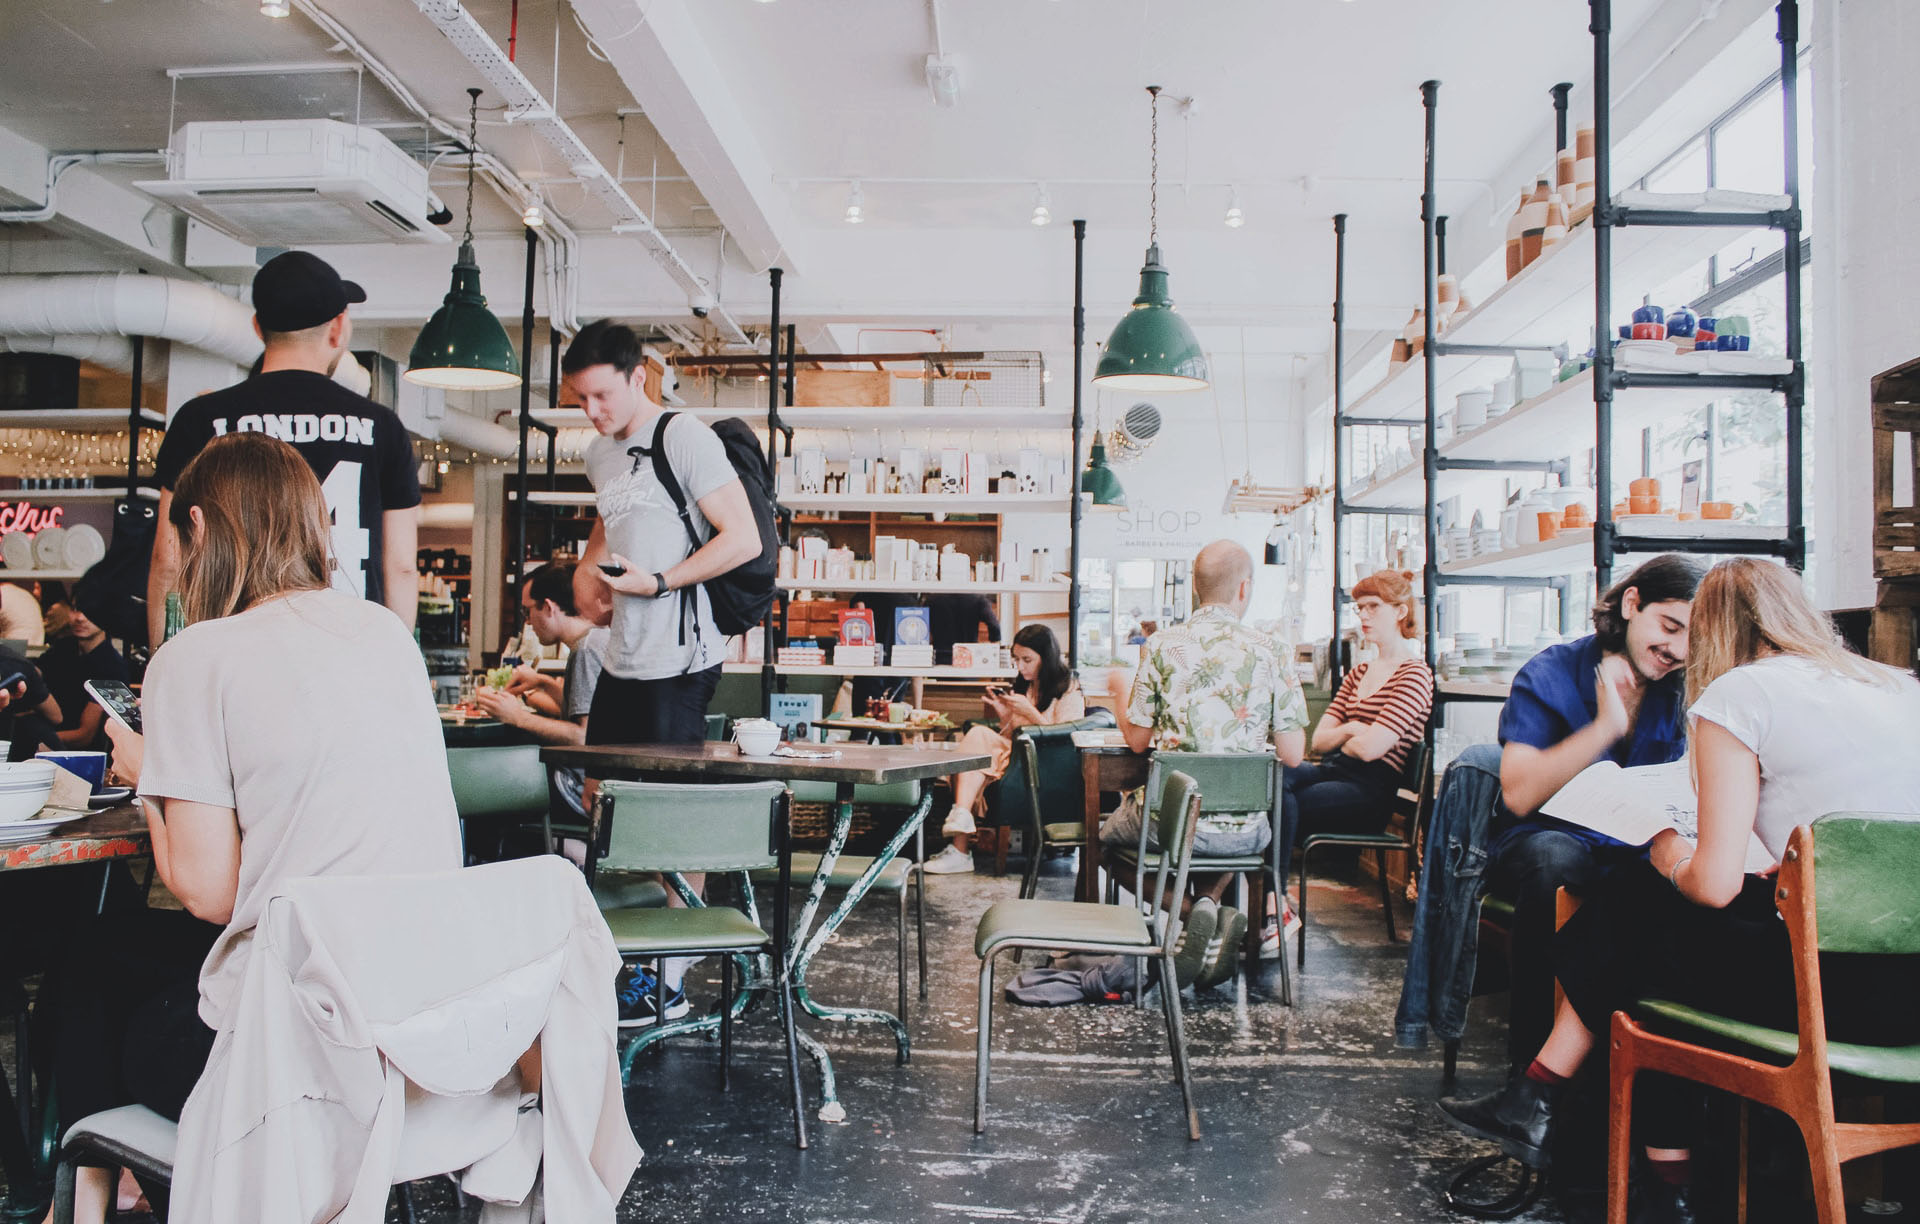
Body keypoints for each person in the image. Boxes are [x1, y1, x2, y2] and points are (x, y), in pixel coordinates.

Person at [44, 433, 459, 1224]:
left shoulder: (196, 656)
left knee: (92, 964)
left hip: (296, 1055)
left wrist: (150, 776)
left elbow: (209, 893)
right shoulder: (384, 634)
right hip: (416, 1027)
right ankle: (117, 1188)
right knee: (118, 955)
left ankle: (96, 1194)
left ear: (198, 527)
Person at [1438, 558, 1920, 1223]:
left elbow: (1713, 887)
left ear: (1714, 629)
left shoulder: (1740, 694)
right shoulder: (1898, 685)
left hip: (1826, 998)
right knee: (1653, 925)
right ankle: (1594, 1129)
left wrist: (1666, 848)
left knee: (1645, 917)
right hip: (1907, 998)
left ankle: (1561, 1109)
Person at [563, 320, 760, 1026]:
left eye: (603, 396)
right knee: (604, 806)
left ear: (638, 377)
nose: (593, 412)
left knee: (672, 820)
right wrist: (590, 573)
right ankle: (621, 958)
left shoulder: (684, 438)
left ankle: (669, 980)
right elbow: (610, 523)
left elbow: (743, 538)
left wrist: (661, 582)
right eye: (581, 399)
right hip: (621, 656)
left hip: (681, 658)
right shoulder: (599, 454)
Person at [1484, 553, 1705, 1064]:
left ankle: (1650, 1084)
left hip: (1642, 848)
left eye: (1693, 639)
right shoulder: (1552, 672)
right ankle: (1530, 1072)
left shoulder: (1686, 688)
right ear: (1632, 603)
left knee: (1690, 883)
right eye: (1669, 626)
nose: (1677, 650)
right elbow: (1518, 794)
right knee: (1556, 861)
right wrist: (1604, 728)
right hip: (1546, 843)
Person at [148, 250, 422, 646]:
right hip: (350, 649)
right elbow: (401, 567)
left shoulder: (200, 419)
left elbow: (169, 558)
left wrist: (163, 659)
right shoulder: (382, 428)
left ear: (258, 328)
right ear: (338, 329)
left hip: (236, 648)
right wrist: (397, 662)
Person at [1102, 540, 1309, 989]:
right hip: (1248, 830)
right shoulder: (1274, 650)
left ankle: (1192, 914)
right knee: (1224, 827)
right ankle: (1210, 912)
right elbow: (1293, 754)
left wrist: (1118, 692)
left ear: (1196, 589)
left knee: (1104, 843)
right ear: (1244, 588)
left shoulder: (1161, 645)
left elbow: (1137, 741)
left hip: (1174, 824)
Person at [1282, 568, 1433, 872]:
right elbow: (1319, 741)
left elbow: (1370, 750)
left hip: (1370, 791)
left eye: (1373, 606)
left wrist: (1347, 739)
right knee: (1273, 777)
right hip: (1334, 771)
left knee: (1282, 802)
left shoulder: (1415, 674)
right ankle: (1273, 893)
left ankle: (1272, 891)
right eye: (1360, 608)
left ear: (1400, 611)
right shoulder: (1359, 672)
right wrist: (1352, 728)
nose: (1363, 615)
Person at [924, 623, 1085, 875]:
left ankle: (960, 847)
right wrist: (1004, 715)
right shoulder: (1028, 685)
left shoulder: (1069, 688)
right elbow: (1015, 734)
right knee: (974, 745)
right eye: (1016, 659)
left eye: (1027, 660)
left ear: (1047, 657)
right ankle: (961, 827)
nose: (1020, 667)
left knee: (975, 749)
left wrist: (1028, 712)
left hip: (1046, 763)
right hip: (1018, 755)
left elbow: (1066, 738)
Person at [474, 560, 608, 827]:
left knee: (486, 785)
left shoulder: (585, 652)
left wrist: (517, 717)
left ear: (548, 607)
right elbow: (593, 714)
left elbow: (584, 737)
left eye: (528, 611)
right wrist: (544, 682)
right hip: (598, 784)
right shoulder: (597, 638)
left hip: (578, 789)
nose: (528, 622)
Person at [37, 581, 127, 750]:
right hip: (48, 741)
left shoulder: (112, 667)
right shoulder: (63, 648)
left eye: (90, 611)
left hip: (83, 755)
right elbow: (34, 676)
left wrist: (36, 738)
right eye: (75, 609)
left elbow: (84, 736)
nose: (80, 618)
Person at [928, 592, 1002, 665]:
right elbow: (994, 626)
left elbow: (924, 628)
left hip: (940, 657)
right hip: (968, 658)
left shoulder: (932, 600)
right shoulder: (978, 599)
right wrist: (993, 645)